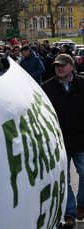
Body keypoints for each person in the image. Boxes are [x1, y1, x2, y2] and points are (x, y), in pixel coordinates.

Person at [42, 54, 84, 228]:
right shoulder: (46, 87)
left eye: (63, 65)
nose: (59, 68)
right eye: (57, 66)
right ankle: (70, 215)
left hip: (81, 139)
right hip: (58, 142)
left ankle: (81, 202)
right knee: (63, 180)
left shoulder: (82, 83)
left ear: (71, 66)